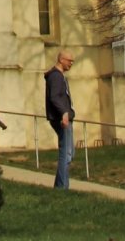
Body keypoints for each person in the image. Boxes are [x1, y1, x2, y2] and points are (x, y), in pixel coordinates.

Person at [44, 48, 75, 189]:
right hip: (61, 118)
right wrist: (64, 113)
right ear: (61, 60)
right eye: (69, 60)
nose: (71, 63)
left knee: (69, 153)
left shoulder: (60, 75)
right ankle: (62, 187)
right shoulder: (56, 76)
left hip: (65, 117)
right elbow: (54, 97)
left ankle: (59, 186)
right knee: (66, 153)